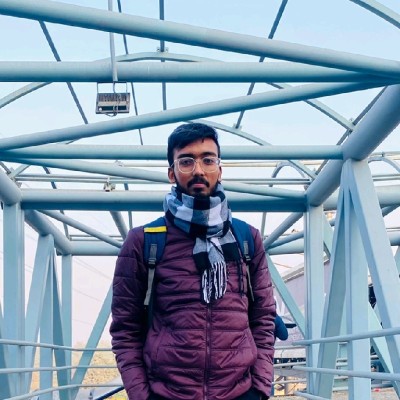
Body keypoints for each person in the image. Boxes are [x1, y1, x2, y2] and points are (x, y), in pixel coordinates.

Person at [110, 123, 276, 400]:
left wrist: (259, 389)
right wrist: (142, 396)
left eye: (208, 160)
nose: (199, 170)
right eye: (186, 161)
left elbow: (263, 318)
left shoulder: (247, 238)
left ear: (219, 170)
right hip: (167, 394)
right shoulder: (144, 241)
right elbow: (125, 328)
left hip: (240, 392)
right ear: (172, 173)